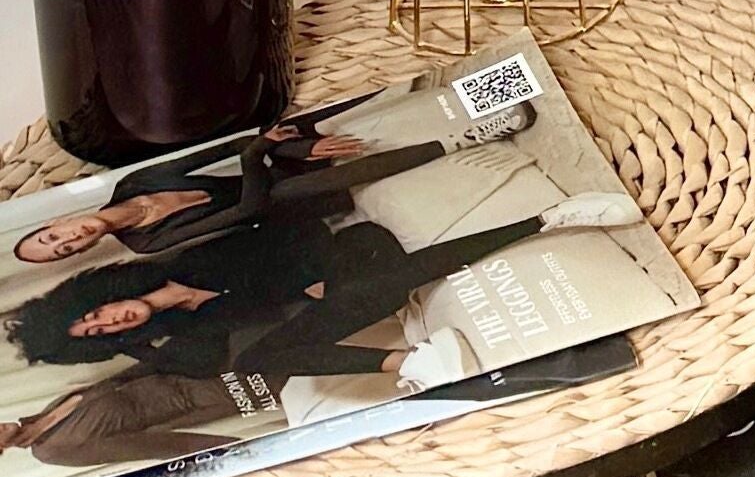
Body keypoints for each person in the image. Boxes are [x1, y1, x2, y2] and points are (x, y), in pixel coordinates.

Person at [3, 192, 633, 387]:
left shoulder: (174, 257)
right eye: (99, 336)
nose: (107, 321)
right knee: (262, 358)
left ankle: (551, 217)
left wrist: (309, 275)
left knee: (375, 283)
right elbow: (205, 368)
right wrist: (134, 345)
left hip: (343, 252)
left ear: (95, 294)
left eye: (93, 315)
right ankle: (408, 360)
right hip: (342, 294)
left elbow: (278, 227)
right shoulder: (175, 338)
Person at [10, 95, 482, 266]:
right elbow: (248, 210)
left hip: (274, 163)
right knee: (285, 187)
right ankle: (460, 141)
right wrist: (263, 153)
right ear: (82, 252)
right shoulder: (147, 242)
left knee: (300, 128)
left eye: (53, 235)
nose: (68, 239)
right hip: (287, 204)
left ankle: (402, 85)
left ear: (60, 218)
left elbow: (229, 147)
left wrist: (283, 148)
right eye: (64, 250)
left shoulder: (133, 184)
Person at [0, 370, 250, 468]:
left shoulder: (44, 412)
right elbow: (145, 447)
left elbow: (119, 382)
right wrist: (237, 451)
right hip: (190, 400)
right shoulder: (53, 451)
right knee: (274, 382)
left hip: (181, 372)